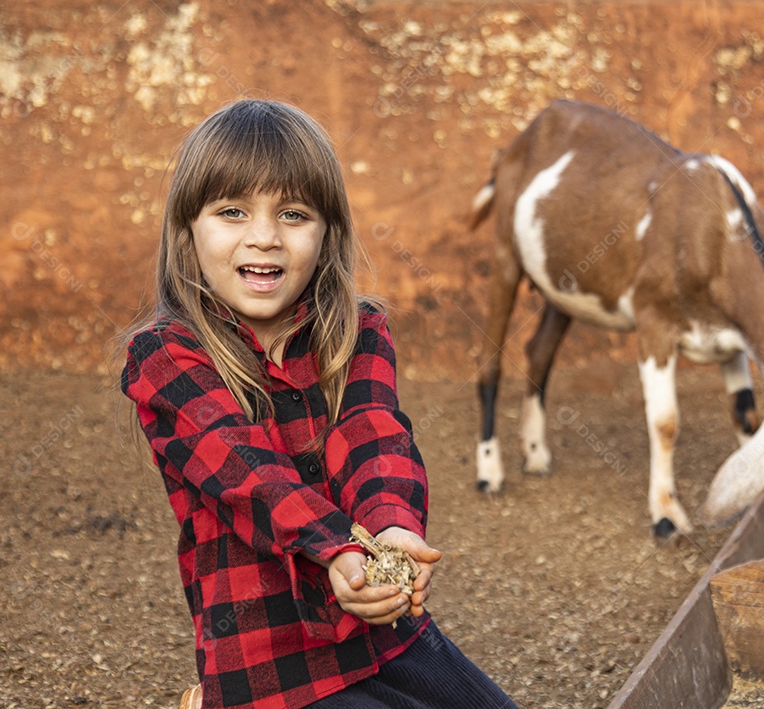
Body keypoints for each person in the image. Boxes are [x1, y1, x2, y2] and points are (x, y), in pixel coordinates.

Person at [121, 99, 517, 709]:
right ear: (187, 229)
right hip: (267, 665)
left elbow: (373, 434)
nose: (264, 237)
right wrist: (340, 548)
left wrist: (392, 528)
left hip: (382, 629)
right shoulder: (167, 357)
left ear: (328, 232)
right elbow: (245, 472)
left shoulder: (358, 332)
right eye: (232, 211)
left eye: (293, 213)